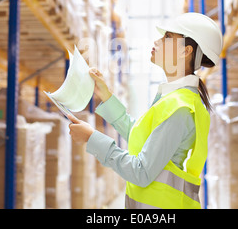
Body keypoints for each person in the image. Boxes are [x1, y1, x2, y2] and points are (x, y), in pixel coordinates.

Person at [68, 12, 223, 209]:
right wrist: (106, 96)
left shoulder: (180, 108)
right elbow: (140, 136)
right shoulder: (174, 100)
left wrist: (91, 138)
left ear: (186, 51)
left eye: (167, 37)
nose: (158, 41)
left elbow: (141, 172)